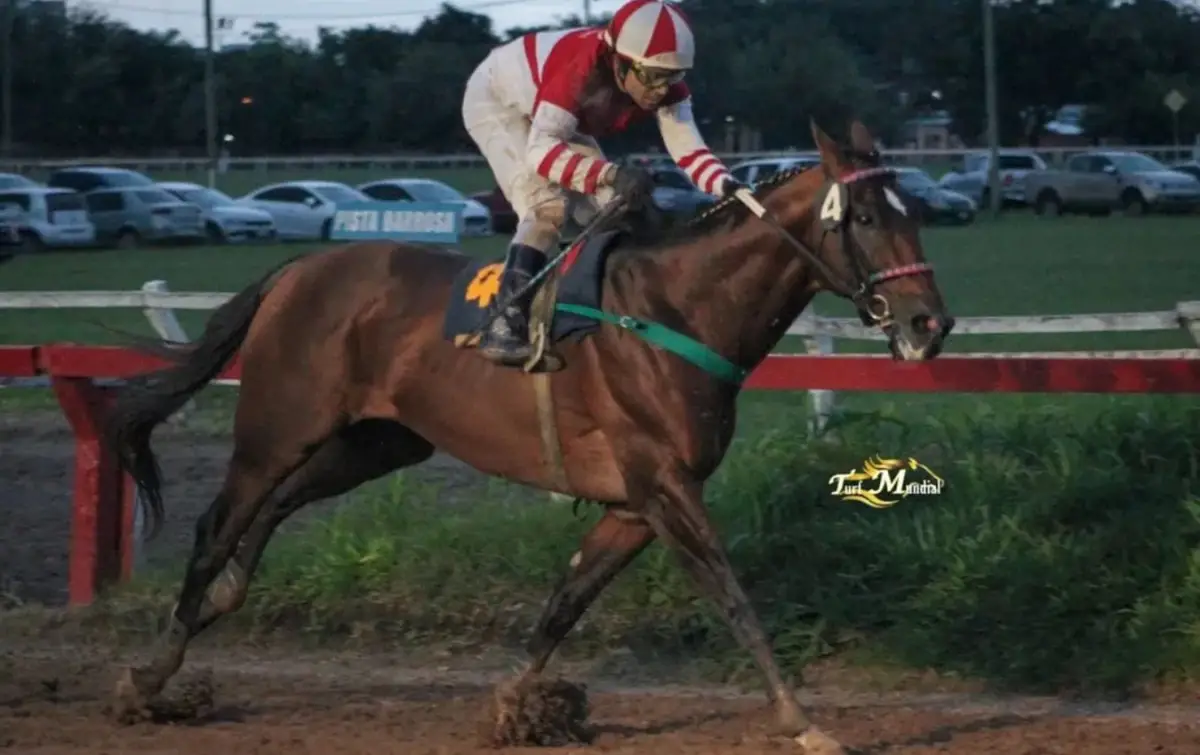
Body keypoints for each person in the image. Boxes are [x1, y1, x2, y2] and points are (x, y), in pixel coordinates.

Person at [461, 0, 745, 367]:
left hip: (554, 114)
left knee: (618, 204)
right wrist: (611, 172)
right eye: (651, 76)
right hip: (499, 101)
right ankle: (505, 321)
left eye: (672, 76)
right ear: (619, 60)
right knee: (547, 208)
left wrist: (729, 187)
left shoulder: (666, 83)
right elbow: (541, 155)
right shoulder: (579, 69)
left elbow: (690, 153)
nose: (661, 89)